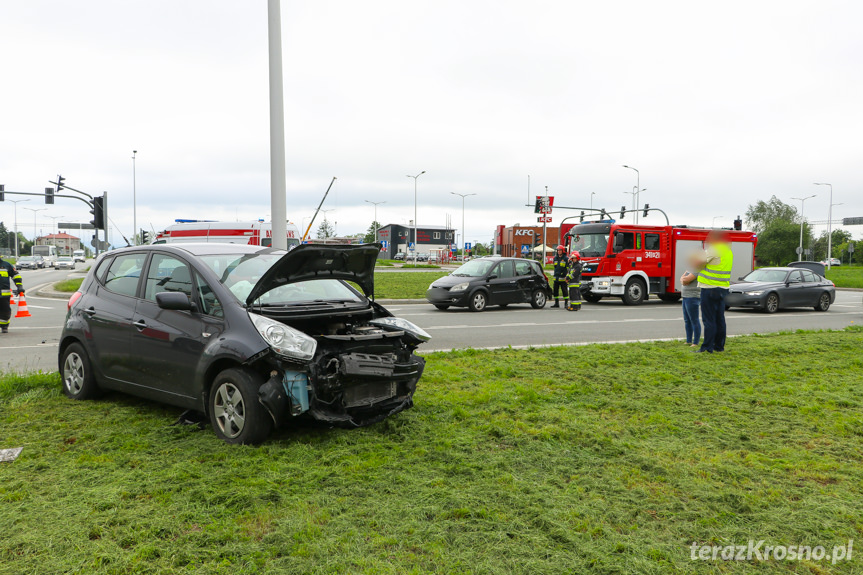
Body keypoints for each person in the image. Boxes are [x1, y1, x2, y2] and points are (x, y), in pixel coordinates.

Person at [694, 230, 733, 353]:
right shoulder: (728, 251)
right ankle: (719, 346)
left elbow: (697, 264)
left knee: (709, 319)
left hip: (710, 288)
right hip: (723, 289)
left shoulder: (713, 250)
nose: (707, 240)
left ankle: (707, 347)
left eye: (709, 238)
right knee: (720, 319)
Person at [0, 255, 25, 334]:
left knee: (5, 312)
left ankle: (4, 326)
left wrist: (19, 286)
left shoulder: (6, 265)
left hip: (3, 295)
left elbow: (16, 276)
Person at [679, 268, 701, 348]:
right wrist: (683, 280)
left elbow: (685, 280)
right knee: (687, 320)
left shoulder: (697, 269)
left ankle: (696, 342)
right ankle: (688, 340)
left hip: (692, 297)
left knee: (694, 320)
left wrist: (684, 280)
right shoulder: (690, 268)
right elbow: (682, 278)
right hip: (685, 296)